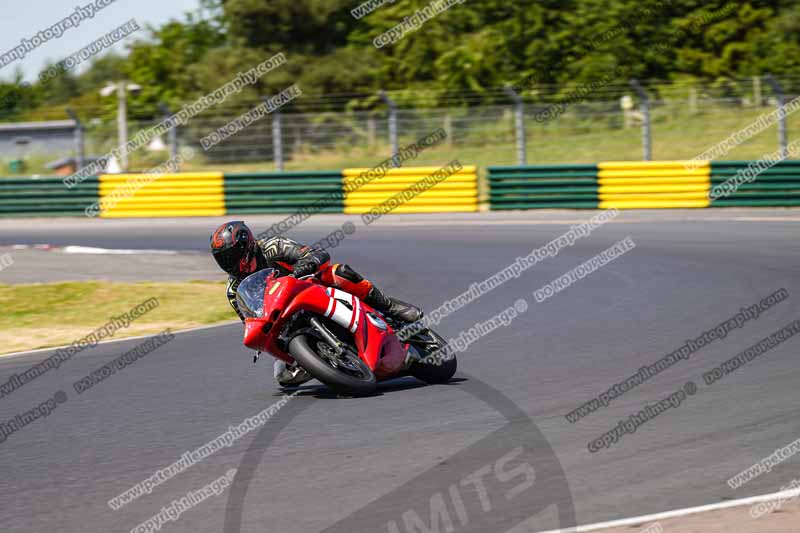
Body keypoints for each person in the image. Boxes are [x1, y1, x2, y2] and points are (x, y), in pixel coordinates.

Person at [210, 221, 423, 388]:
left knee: (340, 272)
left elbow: (317, 254)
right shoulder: (233, 289)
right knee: (283, 378)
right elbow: (248, 318)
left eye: (230, 256)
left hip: (311, 286)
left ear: (245, 246)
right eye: (222, 259)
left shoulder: (272, 247)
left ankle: (388, 307)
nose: (227, 263)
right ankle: (331, 363)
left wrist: (296, 273)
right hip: (283, 319)